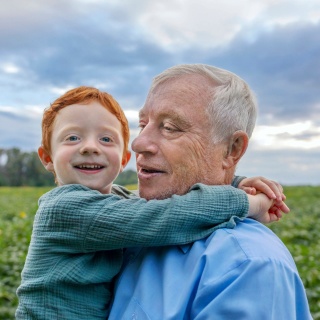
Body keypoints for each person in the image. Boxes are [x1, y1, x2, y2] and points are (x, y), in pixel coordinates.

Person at [16, 86, 288, 319]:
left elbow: (169, 197)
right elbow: (167, 215)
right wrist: (250, 203)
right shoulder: (64, 209)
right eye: (72, 137)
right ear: (47, 157)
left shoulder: (117, 200)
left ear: (123, 159)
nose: (90, 147)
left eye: (106, 139)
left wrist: (234, 181)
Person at [108, 64, 312, 319]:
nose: (138, 144)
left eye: (170, 127)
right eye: (143, 124)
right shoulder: (125, 220)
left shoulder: (245, 267)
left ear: (232, 149)